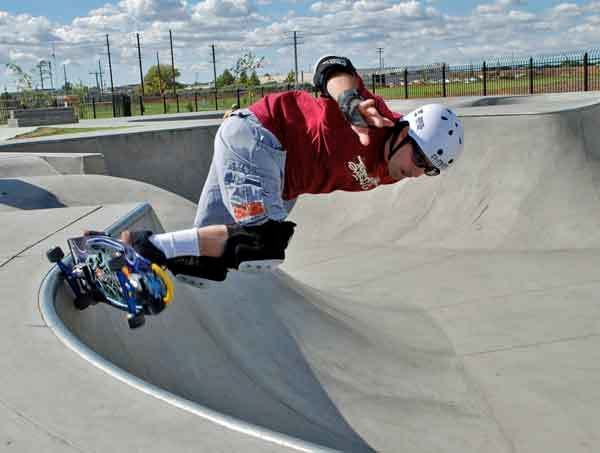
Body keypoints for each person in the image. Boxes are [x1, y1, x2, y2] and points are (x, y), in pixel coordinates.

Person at [116, 56, 465, 284]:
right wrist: (349, 102)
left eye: (429, 170)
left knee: (205, 266)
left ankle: (123, 270)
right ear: (404, 133)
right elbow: (332, 67)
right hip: (262, 140)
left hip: (280, 177)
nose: (418, 173)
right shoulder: (375, 118)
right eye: (419, 160)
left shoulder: (393, 169)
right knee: (263, 245)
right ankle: (142, 247)